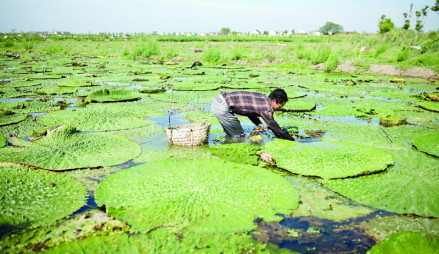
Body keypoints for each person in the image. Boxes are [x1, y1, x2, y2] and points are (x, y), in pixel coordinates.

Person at [211, 88, 295, 141]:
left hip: (219, 101)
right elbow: (275, 127)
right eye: (280, 106)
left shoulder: (262, 97)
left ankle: (227, 141)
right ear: (273, 101)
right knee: (239, 136)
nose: (279, 108)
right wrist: (290, 139)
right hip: (222, 106)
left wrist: (259, 124)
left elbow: (250, 112)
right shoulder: (266, 108)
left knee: (232, 133)